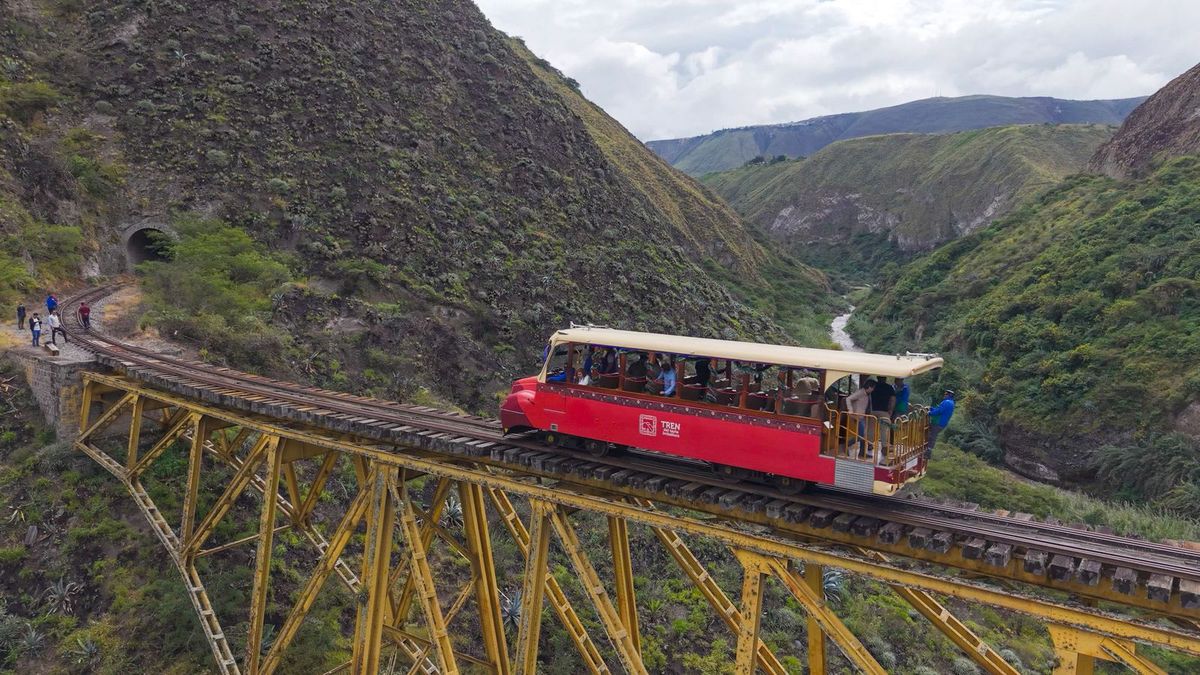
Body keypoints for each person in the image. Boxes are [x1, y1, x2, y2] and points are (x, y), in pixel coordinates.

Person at [926, 390, 956, 459]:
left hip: (938, 422)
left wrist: (929, 413)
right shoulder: (951, 403)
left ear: (949, 395)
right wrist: (931, 408)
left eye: (945, 395)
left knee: (932, 437)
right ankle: (926, 450)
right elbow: (940, 409)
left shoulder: (946, 402)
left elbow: (939, 411)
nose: (944, 396)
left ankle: (928, 453)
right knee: (930, 434)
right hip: (942, 423)